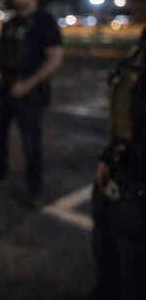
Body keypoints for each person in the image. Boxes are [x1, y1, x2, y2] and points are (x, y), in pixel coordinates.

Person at [0, 0, 63, 207]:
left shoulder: (44, 22)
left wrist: (28, 83)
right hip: (4, 86)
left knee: (30, 141)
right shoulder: (10, 23)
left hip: (29, 90)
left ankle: (34, 187)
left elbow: (55, 59)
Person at [92, 27, 146, 300]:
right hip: (123, 164)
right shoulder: (141, 45)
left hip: (139, 178)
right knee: (108, 249)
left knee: (134, 269)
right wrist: (110, 156)